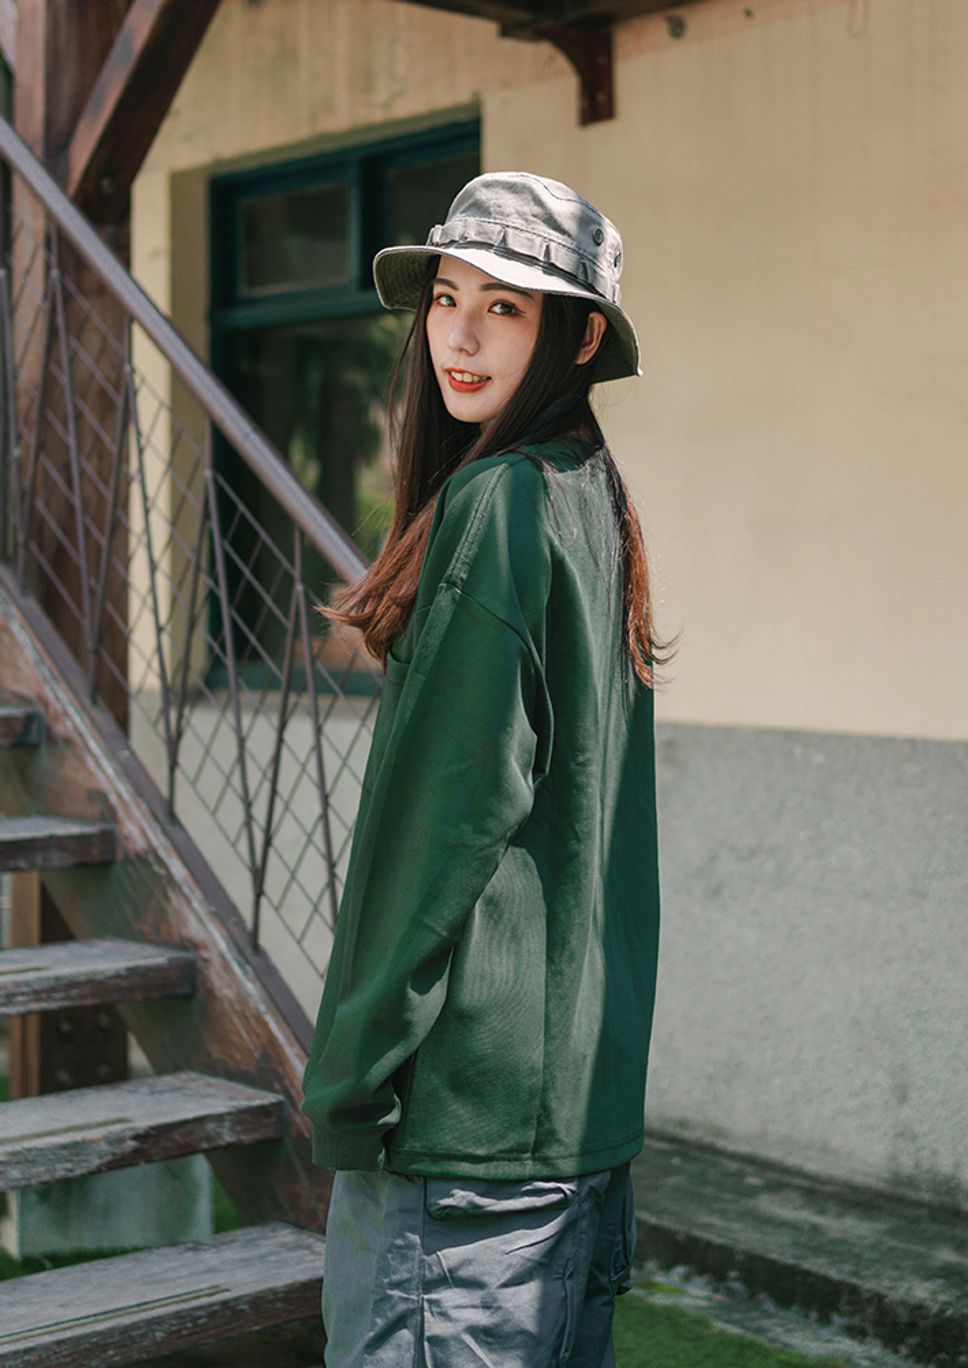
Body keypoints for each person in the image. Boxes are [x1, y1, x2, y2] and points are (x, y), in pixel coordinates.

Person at [301, 170, 672, 1367]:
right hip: (571, 1118)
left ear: (581, 336)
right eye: (446, 299)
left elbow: (443, 827)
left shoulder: (504, 501)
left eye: (505, 307)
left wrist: (349, 1077)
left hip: (464, 1137)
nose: (457, 336)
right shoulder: (588, 497)